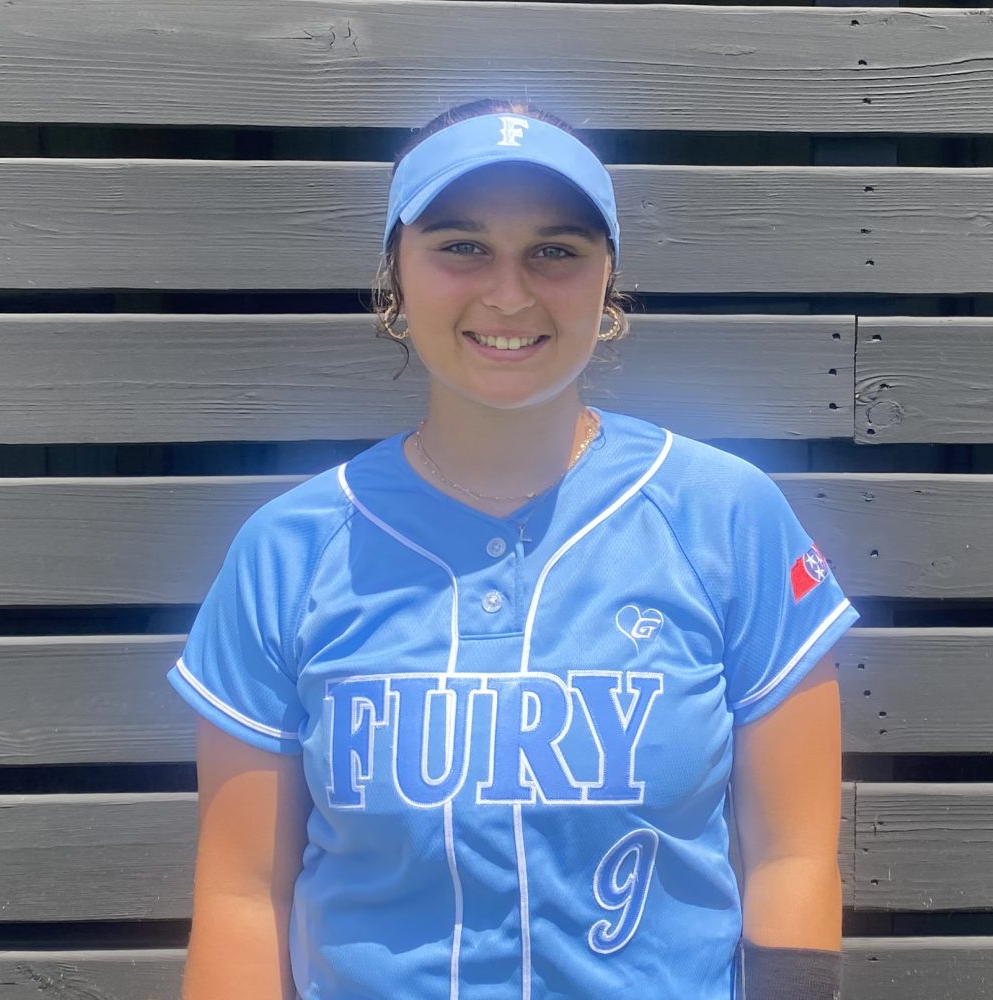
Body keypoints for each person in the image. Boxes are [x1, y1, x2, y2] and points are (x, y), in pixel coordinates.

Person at [166, 98, 858, 1000]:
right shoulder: (289, 552)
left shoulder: (726, 518)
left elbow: (792, 860)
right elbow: (241, 898)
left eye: (555, 251)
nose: (507, 293)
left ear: (608, 280)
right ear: (394, 276)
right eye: (461, 246)